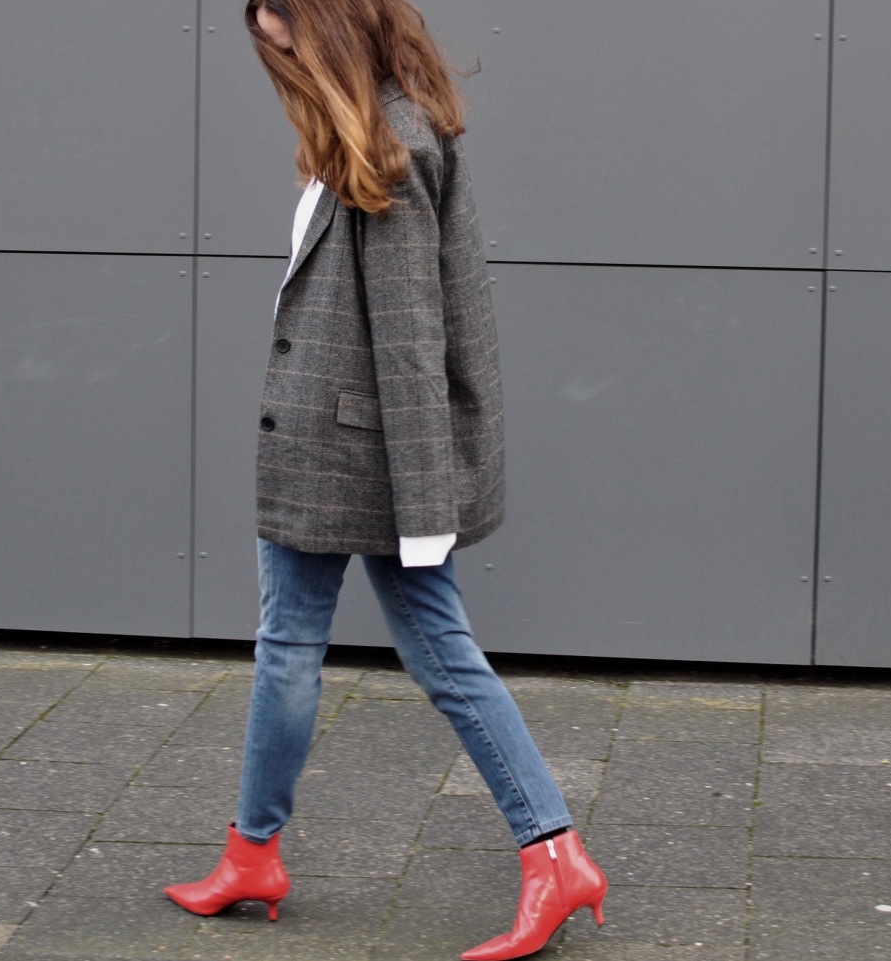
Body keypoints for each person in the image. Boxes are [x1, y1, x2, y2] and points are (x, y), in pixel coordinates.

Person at [163, 2, 607, 958]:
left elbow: (412, 340)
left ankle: (553, 852)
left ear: (328, 25)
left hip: (353, 460)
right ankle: (254, 853)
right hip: (343, 452)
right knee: (308, 645)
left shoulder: (388, 145)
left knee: (393, 650)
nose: (275, 48)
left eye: (283, 29)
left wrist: (425, 510)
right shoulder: (385, 125)